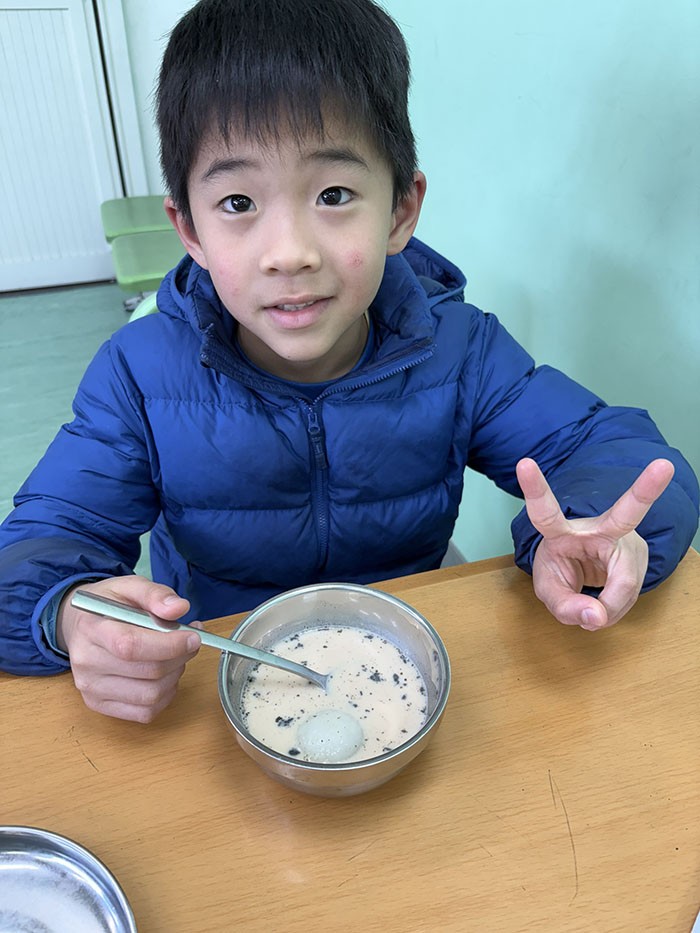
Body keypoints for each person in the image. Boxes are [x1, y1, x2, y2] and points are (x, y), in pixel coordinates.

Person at [0, 0, 697, 723]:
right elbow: (39, 544)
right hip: (220, 666)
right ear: (191, 231)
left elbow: (613, 451)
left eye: (333, 194)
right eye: (237, 202)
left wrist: (594, 530)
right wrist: (66, 614)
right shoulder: (138, 376)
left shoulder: (460, 350)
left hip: (407, 655)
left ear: (399, 211)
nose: (289, 252)